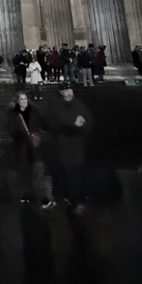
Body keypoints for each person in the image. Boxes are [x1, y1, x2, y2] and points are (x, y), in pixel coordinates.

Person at [51, 81, 94, 213]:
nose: (68, 92)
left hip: (77, 145)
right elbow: (53, 123)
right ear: (60, 92)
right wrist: (69, 127)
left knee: (78, 174)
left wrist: (80, 128)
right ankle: (72, 200)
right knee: (68, 174)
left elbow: (88, 121)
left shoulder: (79, 105)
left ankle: (79, 200)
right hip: (64, 146)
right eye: (65, 90)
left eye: (70, 89)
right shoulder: (56, 106)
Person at [5, 92, 55, 208]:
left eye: (25, 99)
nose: (24, 101)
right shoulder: (13, 115)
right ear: (17, 101)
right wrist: (21, 136)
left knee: (38, 171)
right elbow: (11, 130)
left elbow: (42, 123)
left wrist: (51, 128)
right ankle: (27, 194)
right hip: (22, 147)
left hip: (34, 146)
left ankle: (43, 197)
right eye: (21, 99)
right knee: (25, 172)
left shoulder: (33, 111)